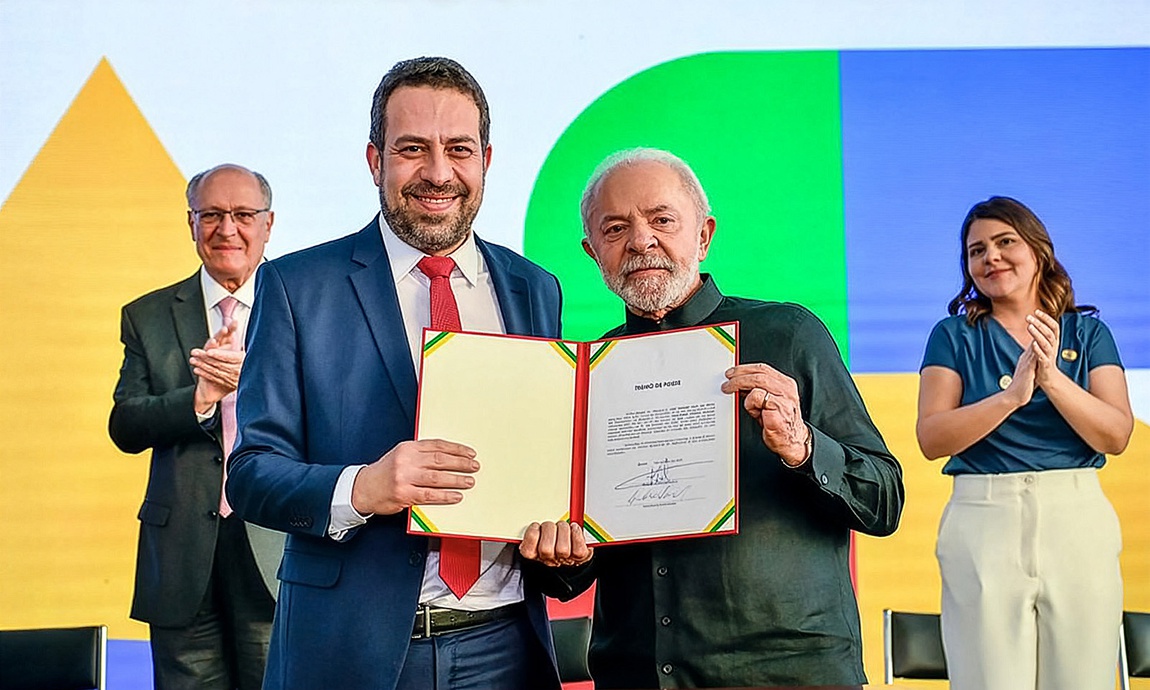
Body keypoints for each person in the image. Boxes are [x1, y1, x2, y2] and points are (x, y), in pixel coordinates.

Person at [225, 57, 567, 690]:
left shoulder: (534, 289)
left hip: (507, 645)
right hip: (350, 651)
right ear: (374, 159)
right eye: (413, 149)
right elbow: (250, 474)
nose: (439, 173)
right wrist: (363, 487)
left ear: (486, 161)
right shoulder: (298, 286)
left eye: (458, 149)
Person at [522, 148, 905, 688]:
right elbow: (567, 573)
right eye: (615, 229)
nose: (640, 240)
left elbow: (883, 500)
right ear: (593, 253)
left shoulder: (789, 334)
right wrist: (561, 557)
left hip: (789, 674)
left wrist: (802, 446)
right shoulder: (586, 376)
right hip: (638, 672)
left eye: (661, 220)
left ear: (703, 235)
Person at [916, 196, 1133, 690]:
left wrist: (1052, 379)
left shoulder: (1088, 332)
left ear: (1038, 251)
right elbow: (932, 437)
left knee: (1083, 679)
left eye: (1005, 242)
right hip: (982, 517)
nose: (990, 257)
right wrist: (1013, 397)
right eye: (976, 251)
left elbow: (1116, 433)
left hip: (1077, 515)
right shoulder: (953, 335)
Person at [108, 164, 285, 690]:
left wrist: (252, 380)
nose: (226, 229)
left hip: (274, 540)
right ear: (191, 223)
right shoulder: (149, 314)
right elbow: (125, 424)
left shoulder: (303, 303)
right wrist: (201, 398)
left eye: (242, 215)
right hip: (181, 551)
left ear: (268, 224)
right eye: (211, 215)